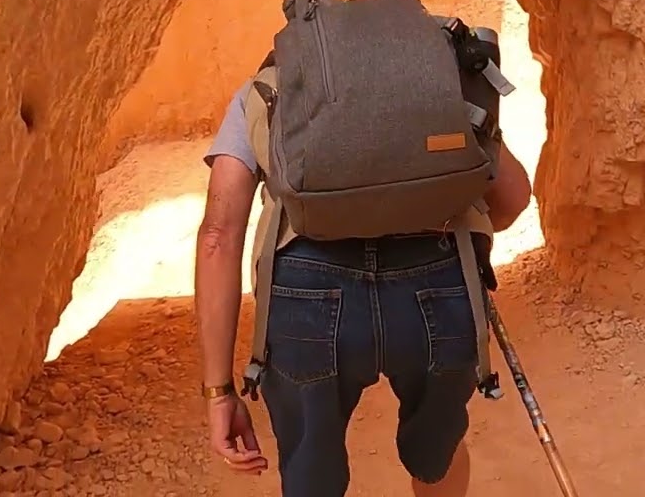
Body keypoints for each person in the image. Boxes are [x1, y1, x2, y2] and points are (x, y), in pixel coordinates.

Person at [192, 71, 533, 497]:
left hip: (307, 291)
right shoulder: (432, 75)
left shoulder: (263, 90)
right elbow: (514, 194)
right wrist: (461, 237)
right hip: (435, 276)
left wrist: (218, 391)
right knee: (439, 455)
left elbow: (217, 237)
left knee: (310, 476)